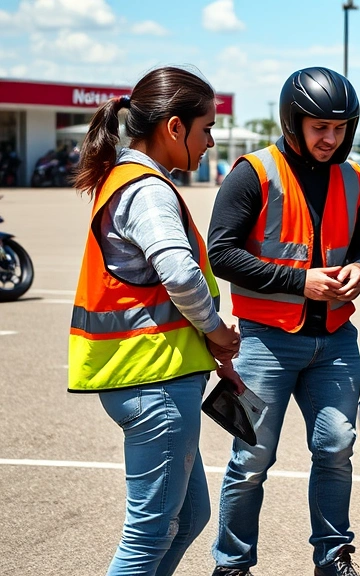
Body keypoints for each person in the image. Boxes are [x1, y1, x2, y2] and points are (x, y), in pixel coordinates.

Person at [207, 67, 360, 576]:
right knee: (250, 462)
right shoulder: (252, 172)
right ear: (292, 121)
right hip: (264, 342)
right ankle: (233, 565)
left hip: (334, 342)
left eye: (340, 128)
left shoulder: (352, 178)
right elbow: (220, 253)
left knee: (336, 450)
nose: (331, 138)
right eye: (319, 127)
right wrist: (298, 282)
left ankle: (333, 560)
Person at [68, 66, 240, 576]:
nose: (210, 142)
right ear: (173, 128)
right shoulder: (146, 190)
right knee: (149, 535)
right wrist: (218, 332)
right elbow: (180, 276)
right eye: (206, 128)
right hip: (154, 385)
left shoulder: (134, 180)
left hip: (159, 376)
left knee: (188, 519)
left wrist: (211, 354)